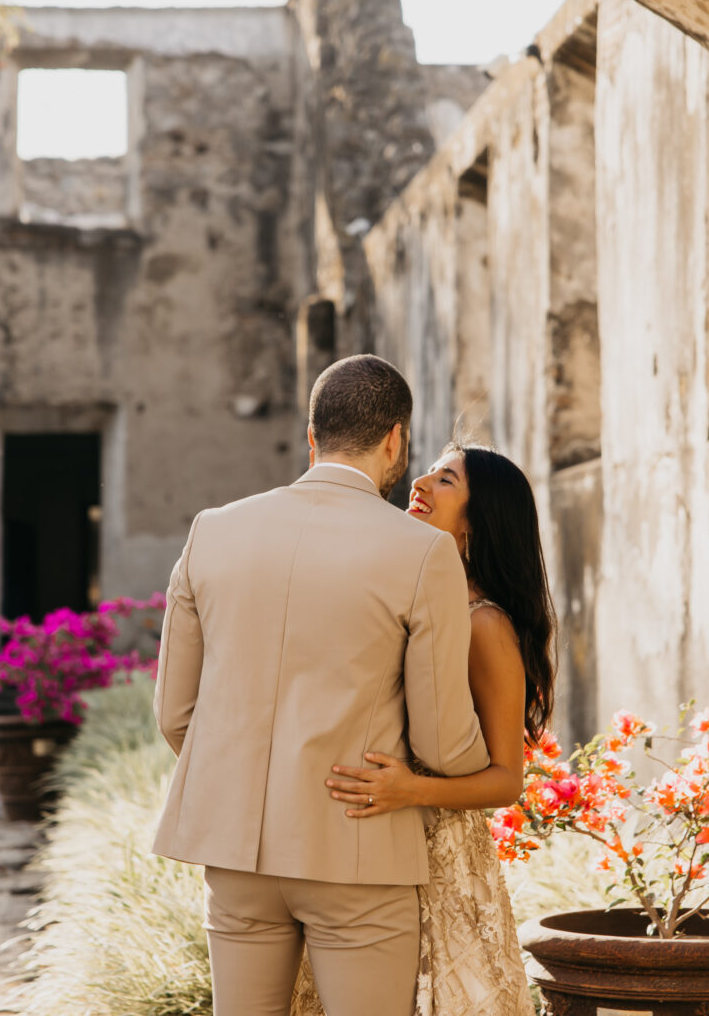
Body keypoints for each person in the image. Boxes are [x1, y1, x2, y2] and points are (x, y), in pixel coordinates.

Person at [152, 354, 491, 1016]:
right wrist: (499, 762)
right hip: (357, 846)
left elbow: (175, 713)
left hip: (236, 850)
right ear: (395, 438)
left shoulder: (212, 530)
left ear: (311, 437)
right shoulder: (423, 552)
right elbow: (444, 744)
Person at [292, 441, 555, 1016]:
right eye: (430, 471)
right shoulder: (400, 593)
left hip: (439, 864)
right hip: (361, 850)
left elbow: (508, 780)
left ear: (476, 523)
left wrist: (410, 789)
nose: (421, 483)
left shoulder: (484, 625)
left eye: (446, 481)